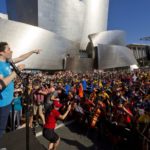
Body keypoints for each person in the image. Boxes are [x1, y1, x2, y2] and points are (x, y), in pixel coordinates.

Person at [0, 42, 41, 140]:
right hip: (2, 104)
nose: (11, 51)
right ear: (1, 52)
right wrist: (16, 71)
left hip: (7, 101)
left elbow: (21, 57)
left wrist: (33, 51)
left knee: (2, 128)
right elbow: (1, 85)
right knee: (0, 129)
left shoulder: (7, 62)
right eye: (8, 49)